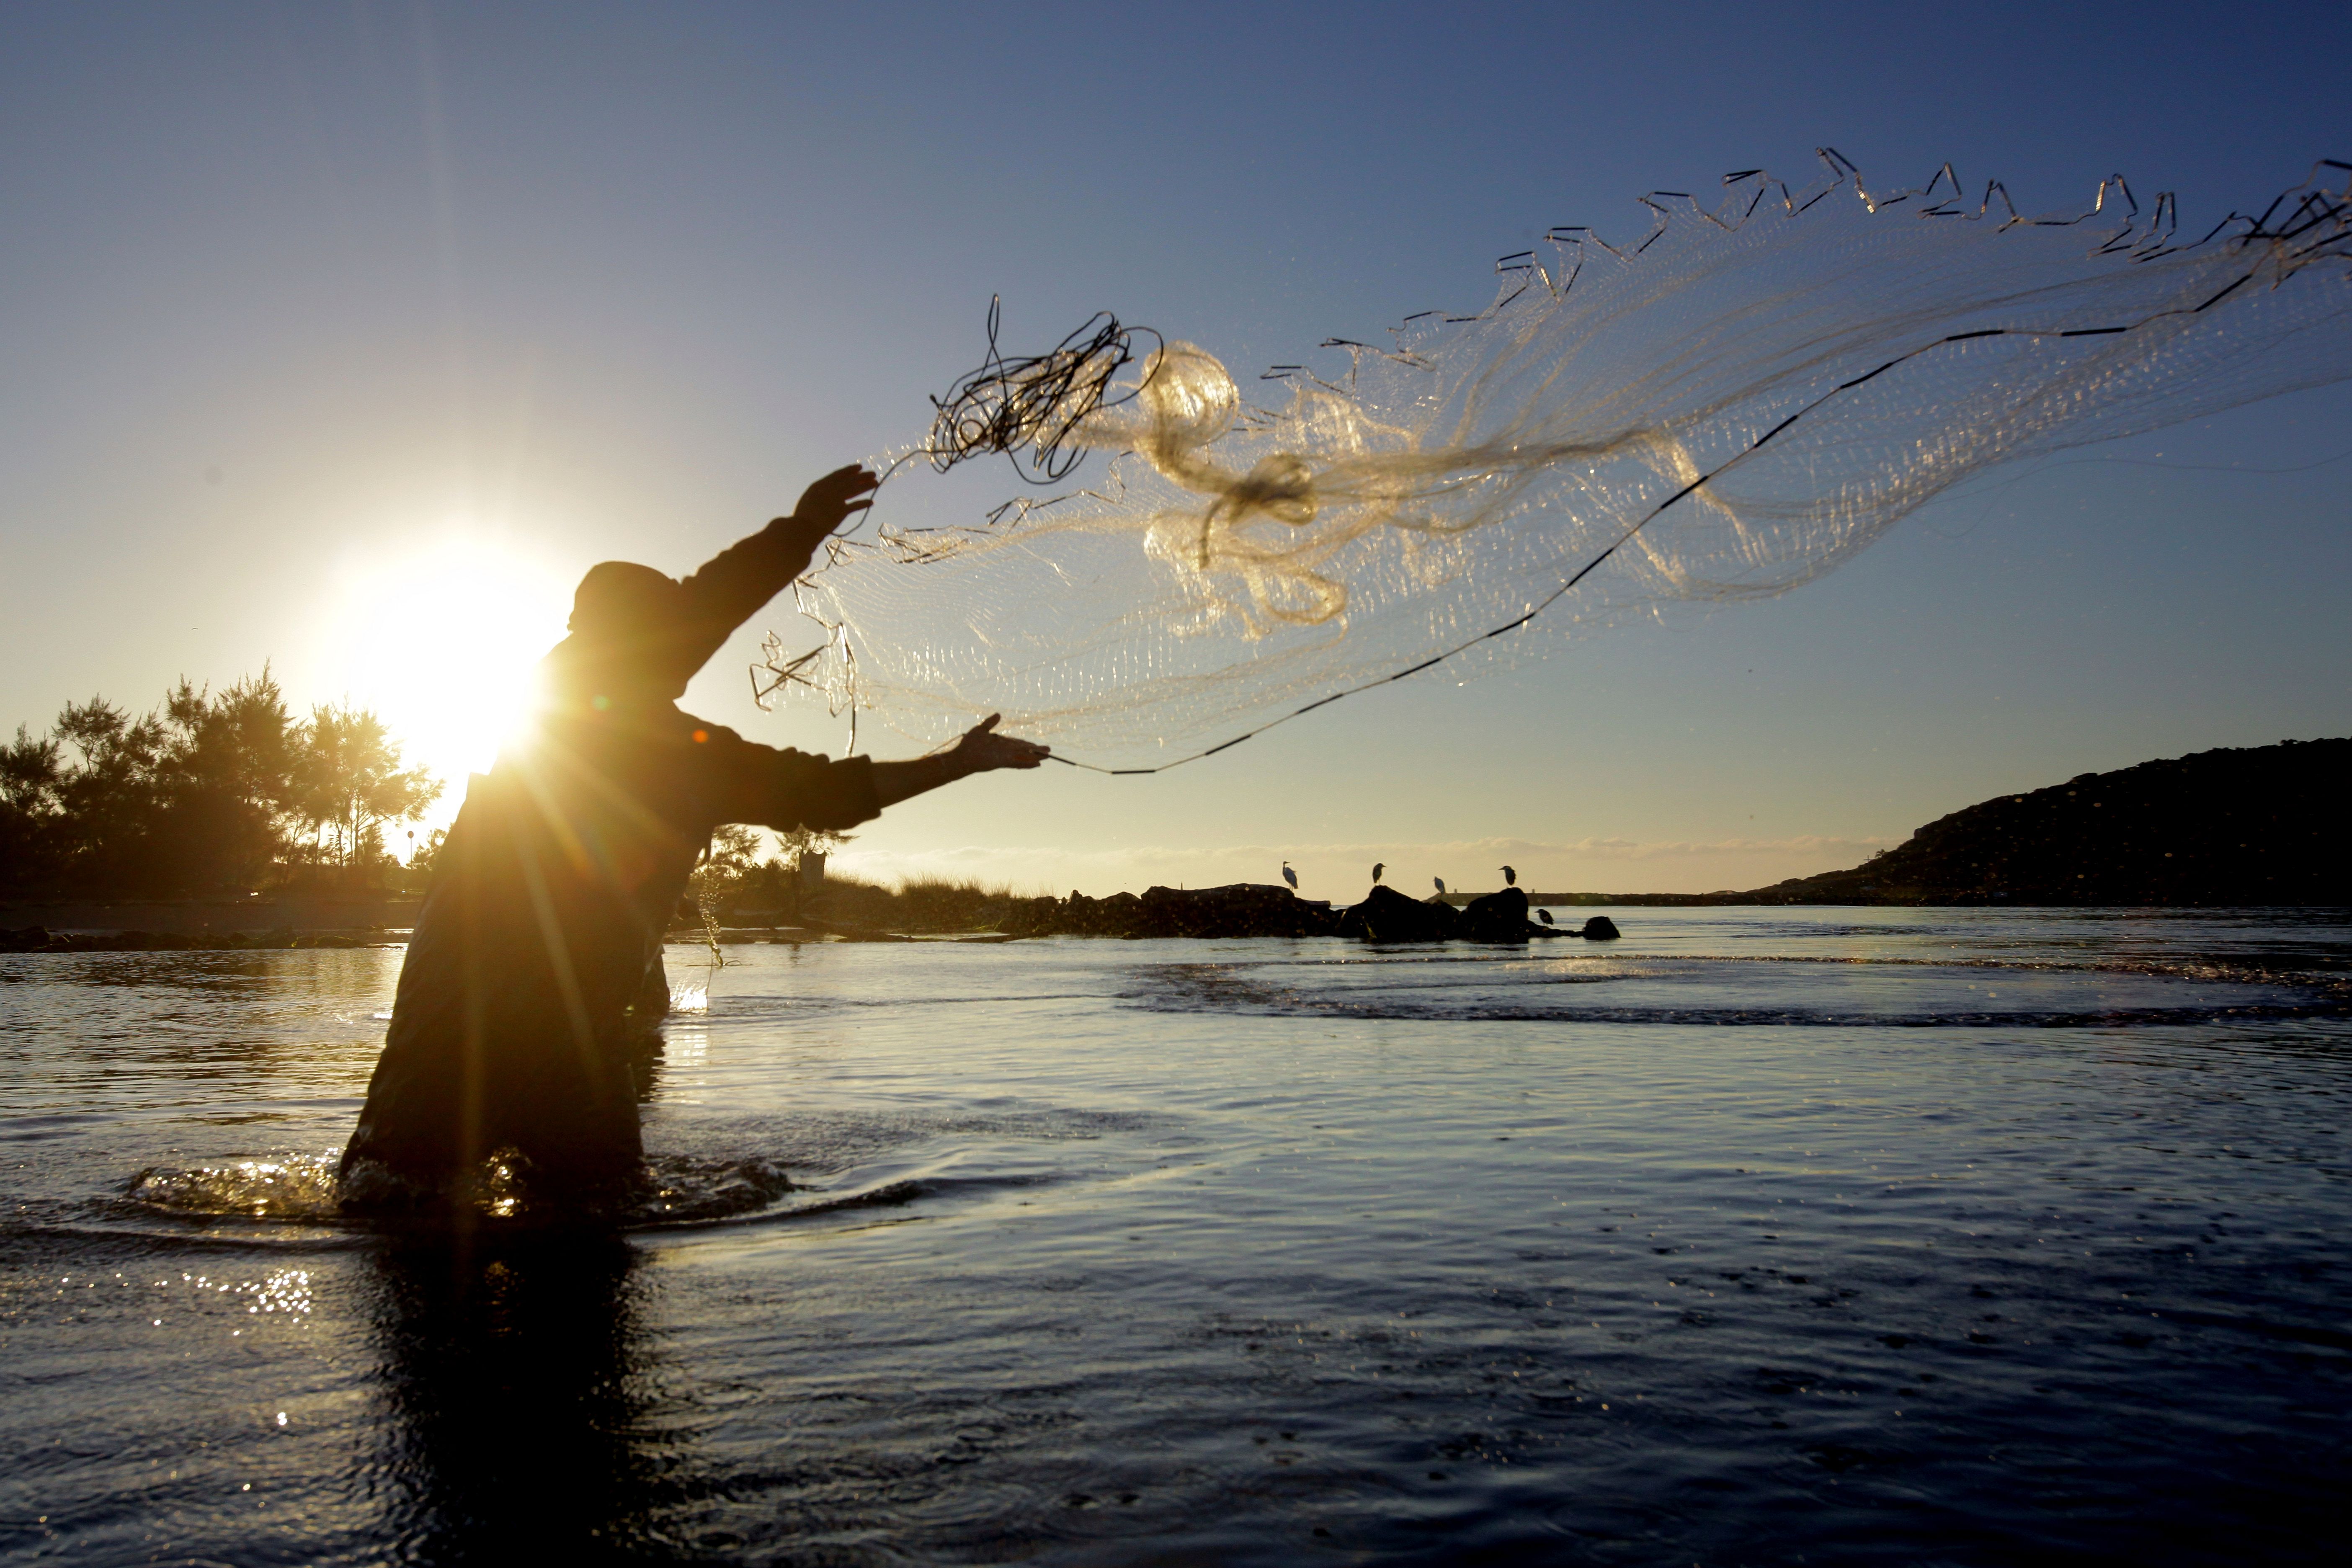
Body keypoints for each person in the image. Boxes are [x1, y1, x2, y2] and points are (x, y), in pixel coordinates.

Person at [340, 465, 1047, 1200]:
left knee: (398, 1205)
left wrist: (957, 763)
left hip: (480, 1036)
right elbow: (712, 625)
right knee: (577, 1217)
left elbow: (830, 789)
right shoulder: (603, 716)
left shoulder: (587, 723)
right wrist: (799, 533)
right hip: (524, 1042)